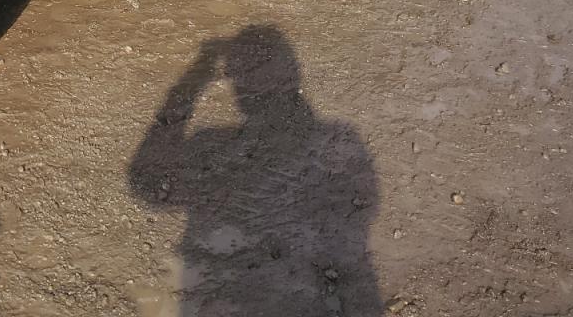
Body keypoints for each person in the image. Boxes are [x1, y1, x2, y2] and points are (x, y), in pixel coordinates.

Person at [128, 25, 383, 316]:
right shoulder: (340, 136)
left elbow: (146, 185)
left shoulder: (209, 141)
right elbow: (363, 205)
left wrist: (194, 79)